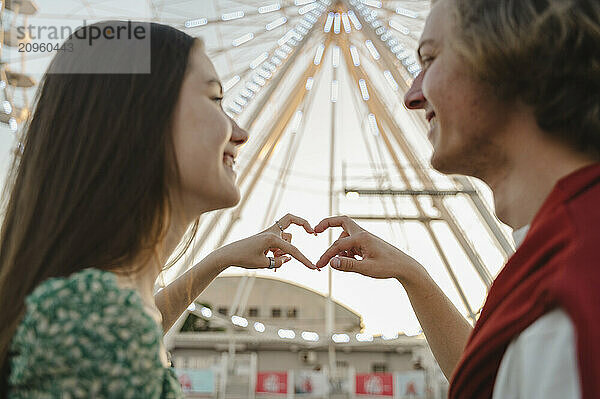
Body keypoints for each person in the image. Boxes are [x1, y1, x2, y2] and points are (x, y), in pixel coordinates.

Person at [0, 22, 317, 397]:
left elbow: (136, 325)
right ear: (142, 118)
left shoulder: (94, 314)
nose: (241, 133)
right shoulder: (99, 321)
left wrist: (219, 261)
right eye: (215, 100)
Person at [313, 0, 600, 398]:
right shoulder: (556, 264)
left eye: (430, 58)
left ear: (513, 59)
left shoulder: (567, 301)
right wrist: (412, 276)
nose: (412, 95)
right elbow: (496, 382)